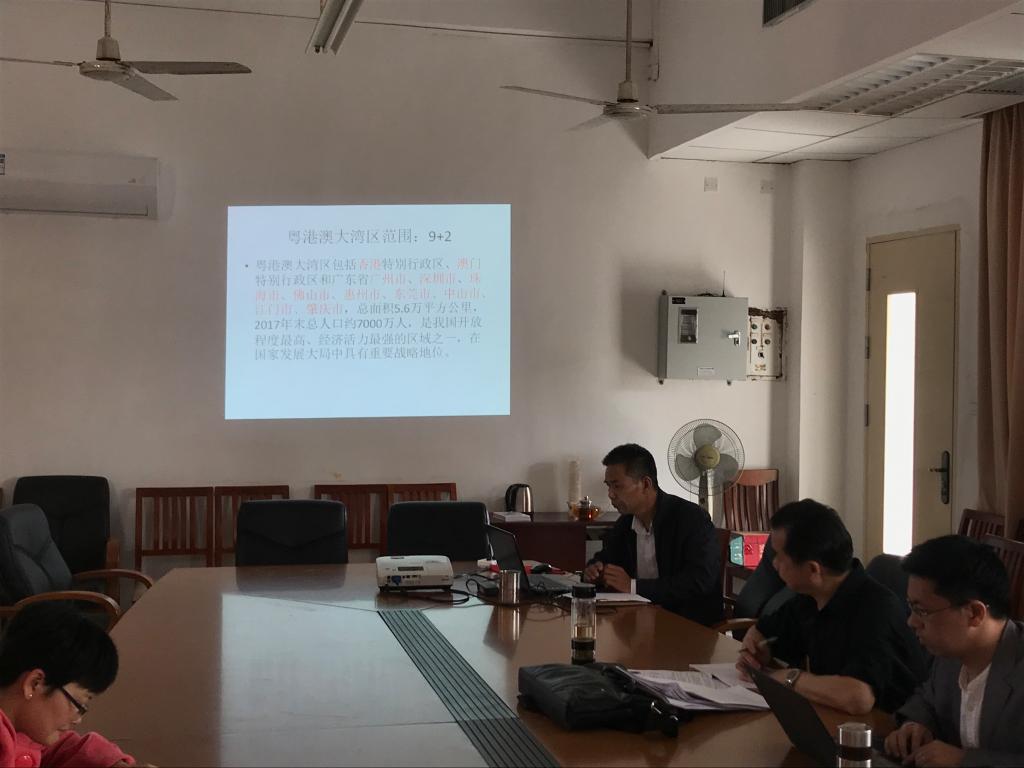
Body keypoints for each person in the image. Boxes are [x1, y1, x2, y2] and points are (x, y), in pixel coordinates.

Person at [736, 499, 927, 714]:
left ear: (813, 570)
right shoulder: (811, 597)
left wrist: (790, 678)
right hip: (834, 718)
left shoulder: (875, 609)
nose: (774, 563)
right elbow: (764, 630)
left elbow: (858, 697)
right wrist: (754, 648)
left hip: (889, 727)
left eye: (780, 556)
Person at [884, 535, 1024, 767]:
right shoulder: (952, 653)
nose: (912, 622)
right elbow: (927, 698)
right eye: (911, 607)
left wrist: (964, 761)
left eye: (922, 611)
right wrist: (916, 725)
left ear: (975, 613)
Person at [582, 443, 721, 626]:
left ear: (645, 484)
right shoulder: (625, 523)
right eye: (608, 486)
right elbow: (605, 559)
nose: (610, 494)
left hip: (687, 624)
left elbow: (700, 580)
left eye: (617, 486)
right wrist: (594, 570)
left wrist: (632, 586)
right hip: (639, 620)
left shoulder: (691, 518)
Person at [0, 602, 140, 767]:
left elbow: (59, 747)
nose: (78, 719)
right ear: (34, 683)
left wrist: (113, 764)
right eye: (78, 703)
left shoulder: (26, 726)